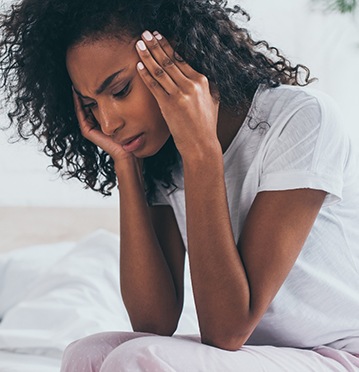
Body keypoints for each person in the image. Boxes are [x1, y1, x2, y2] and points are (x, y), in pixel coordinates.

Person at [1, 0, 359, 370]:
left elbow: (225, 330)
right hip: (263, 355)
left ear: (177, 60)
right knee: (86, 354)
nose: (107, 123)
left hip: (341, 353)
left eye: (120, 90)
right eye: (92, 105)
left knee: (139, 358)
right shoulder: (163, 155)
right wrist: (127, 166)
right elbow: (153, 322)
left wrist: (203, 152)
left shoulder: (300, 120)